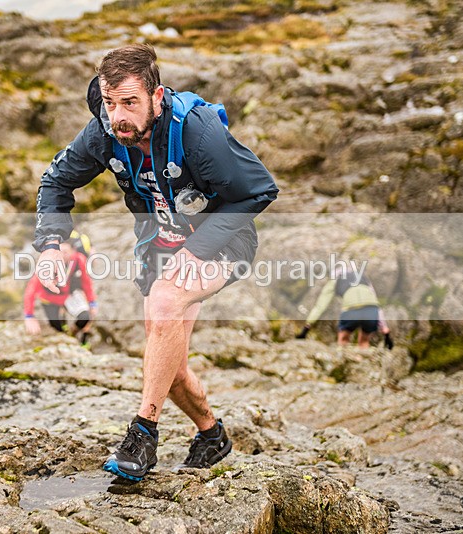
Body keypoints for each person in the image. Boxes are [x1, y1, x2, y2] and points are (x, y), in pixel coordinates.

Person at [33, 44, 278, 481]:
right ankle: (211, 434)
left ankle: (143, 433)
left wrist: (197, 249)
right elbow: (55, 181)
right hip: (158, 244)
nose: (118, 115)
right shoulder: (104, 131)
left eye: (129, 102)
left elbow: (259, 190)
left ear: (156, 96)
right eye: (110, 103)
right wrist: (51, 243)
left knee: (166, 303)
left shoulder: (198, 133)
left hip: (221, 238)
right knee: (168, 361)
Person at [24, 237, 98, 346]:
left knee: (85, 317)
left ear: (73, 251)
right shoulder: (47, 262)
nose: (62, 255)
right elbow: (31, 290)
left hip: (68, 295)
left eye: (66, 252)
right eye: (60, 251)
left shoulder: (79, 259)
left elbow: (86, 282)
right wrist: (29, 316)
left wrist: (92, 302)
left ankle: (74, 333)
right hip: (49, 298)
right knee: (56, 326)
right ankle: (64, 331)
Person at [296, 268, 393, 349]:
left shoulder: (335, 279)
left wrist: (306, 327)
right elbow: (375, 304)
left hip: (351, 309)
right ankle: (362, 365)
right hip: (371, 310)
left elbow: (320, 306)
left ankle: (341, 361)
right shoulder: (363, 277)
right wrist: (385, 331)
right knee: (364, 341)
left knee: (343, 339)